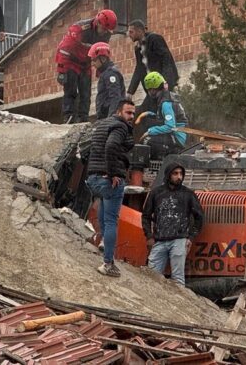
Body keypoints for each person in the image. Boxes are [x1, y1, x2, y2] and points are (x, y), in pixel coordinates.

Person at [85, 99, 135, 277]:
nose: (131, 117)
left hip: (94, 178)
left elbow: (95, 148)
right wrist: (113, 172)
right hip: (110, 178)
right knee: (112, 220)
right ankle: (107, 264)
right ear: (119, 111)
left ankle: (104, 242)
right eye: (128, 113)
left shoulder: (102, 124)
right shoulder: (120, 126)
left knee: (104, 211)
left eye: (133, 113)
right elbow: (111, 146)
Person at [141, 162, 205, 285]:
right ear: (168, 175)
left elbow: (199, 217)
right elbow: (146, 215)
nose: (179, 176)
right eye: (175, 173)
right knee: (151, 277)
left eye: (181, 174)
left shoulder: (188, 194)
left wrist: (191, 237)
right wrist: (148, 236)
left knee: (178, 279)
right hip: (159, 241)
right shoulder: (156, 193)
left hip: (179, 241)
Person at [55, 9, 118, 123]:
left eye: (107, 30)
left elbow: (102, 53)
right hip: (70, 62)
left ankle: (83, 118)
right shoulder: (79, 29)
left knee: (86, 93)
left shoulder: (106, 33)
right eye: (104, 29)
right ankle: (68, 117)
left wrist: (101, 72)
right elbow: (63, 49)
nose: (105, 33)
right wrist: (61, 70)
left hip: (86, 64)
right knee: (71, 90)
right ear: (98, 22)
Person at [126, 20, 178, 109]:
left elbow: (166, 60)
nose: (129, 34)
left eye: (131, 32)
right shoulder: (138, 48)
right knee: (147, 111)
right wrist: (130, 91)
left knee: (165, 108)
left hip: (162, 85)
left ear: (139, 31)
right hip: (152, 88)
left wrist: (166, 83)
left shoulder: (154, 39)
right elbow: (139, 69)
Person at [137, 72, 188, 160]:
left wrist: (150, 131)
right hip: (178, 135)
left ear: (152, 89)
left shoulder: (165, 103)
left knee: (146, 141)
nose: (149, 92)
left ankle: (159, 165)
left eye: (149, 90)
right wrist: (148, 114)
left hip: (177, 139)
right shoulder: (168, 96)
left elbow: (170, 126)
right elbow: (164, 116)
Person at [88, 42, 124, 120]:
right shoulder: (105, 74)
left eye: (94, 60)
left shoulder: (111, 74)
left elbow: (115, 97)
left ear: (103, 59)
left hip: (110, 117)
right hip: (105, 116)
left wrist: (111, 118)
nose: (92, 64)